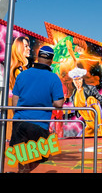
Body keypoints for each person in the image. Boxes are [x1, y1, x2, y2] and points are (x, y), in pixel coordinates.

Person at [9, 45, 64, 173]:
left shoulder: (23, 75)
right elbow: (59, 103)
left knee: (22, 156)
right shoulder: (54, 78)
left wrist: (17, 115)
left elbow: (15, 99)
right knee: (39, 155)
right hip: (39, 124)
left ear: (38, 57)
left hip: (20, 121)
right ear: (51, 60)